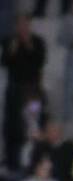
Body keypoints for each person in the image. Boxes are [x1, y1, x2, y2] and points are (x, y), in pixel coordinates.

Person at [1, 14, 46, 172]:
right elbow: (5, 62)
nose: (22, 27)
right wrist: (13, 48)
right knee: (12, 125)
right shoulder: (9, 41)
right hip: (14, 89)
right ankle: (11, 162)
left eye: (25, 24)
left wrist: (28, 45)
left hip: (32, 90)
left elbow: (40, 61)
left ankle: (32, 162)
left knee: (32, 125)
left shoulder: (37, 42)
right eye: (19, 24)